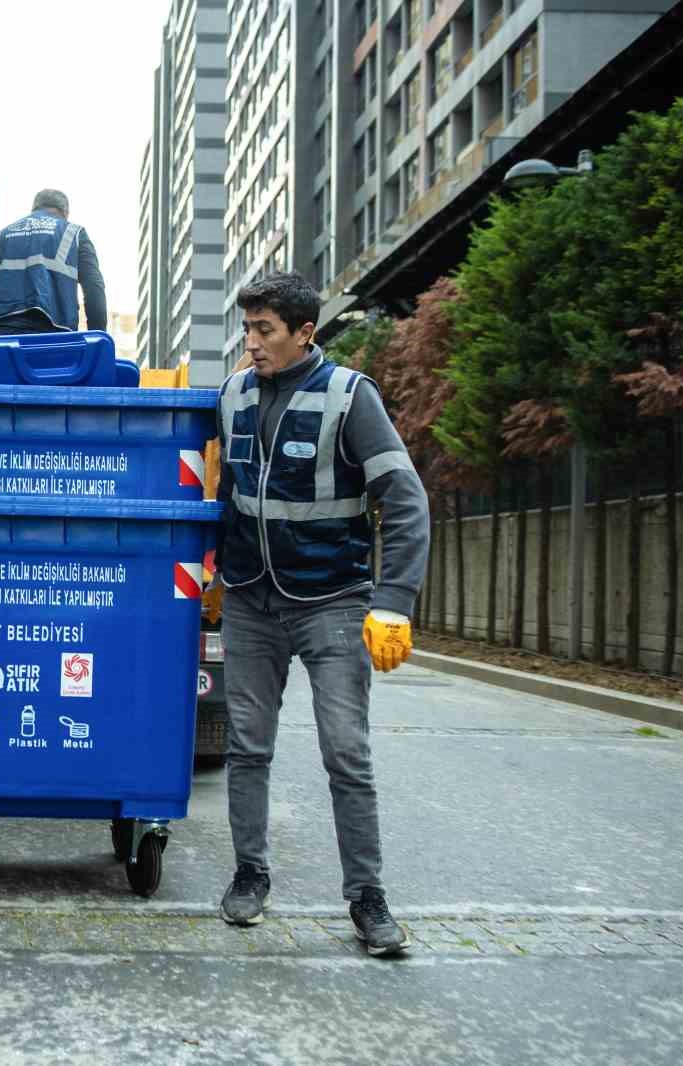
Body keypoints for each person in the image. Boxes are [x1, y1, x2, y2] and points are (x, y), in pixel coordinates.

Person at [213, 272, 429, 955]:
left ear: (306, 332)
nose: (251, 344)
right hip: (250, 596)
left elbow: (405, 500)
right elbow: (224, 494)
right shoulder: (233, 394)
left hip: (333, 603)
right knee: (247, 745)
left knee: (346, 751)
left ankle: (367, 898)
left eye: (265, 331)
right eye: (246, 329)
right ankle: (250, 874)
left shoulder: (350, 397)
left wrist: (393, 602)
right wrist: (211, 576)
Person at [0, 188, 106, 335]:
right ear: (65, 213)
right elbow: (94, 287)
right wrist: (98, 338)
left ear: (34, 209)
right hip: (50, 335)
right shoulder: (73, 233)